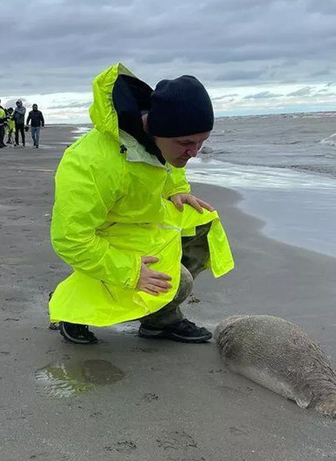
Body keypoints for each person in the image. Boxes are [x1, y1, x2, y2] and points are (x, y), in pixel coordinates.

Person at [48, 63, 234, 345]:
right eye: (186, 143)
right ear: (157, 130)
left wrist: (177, 190)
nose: (195, 153)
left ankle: (160, 320)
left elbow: (169, 165)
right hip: (107, 233)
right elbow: (71, 239)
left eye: (201, 142)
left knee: (202, 222)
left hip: (141, 218)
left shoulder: (161, 139)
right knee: (178, 282)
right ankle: (74, 310)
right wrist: (131, 272)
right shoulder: (90, 163)